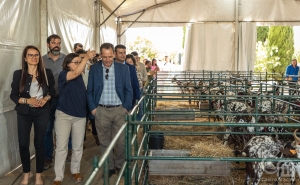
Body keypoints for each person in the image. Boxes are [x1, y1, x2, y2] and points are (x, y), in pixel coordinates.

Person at [10, 45, 55, 185]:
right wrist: (26, 100)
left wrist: (45, 99)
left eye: (36, 55)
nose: (34, 57)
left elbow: (52, 92)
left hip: (42, 112)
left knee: (39, 143)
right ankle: (26, 173)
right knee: (23, 144)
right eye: (30, 55)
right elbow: (13, 95)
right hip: (24, 112)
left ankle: (38, 176)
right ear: (25, 58)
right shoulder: (18, 74)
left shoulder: (47, 73)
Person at [87, 43, 133, 177]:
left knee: (121, 141)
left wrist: (126, 107)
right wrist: (93, 109)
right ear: (100, 55)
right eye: (104, 57)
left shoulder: (123, 69)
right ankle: (109, 167)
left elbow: (128, 90)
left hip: (119, 110)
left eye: (109, 57)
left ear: (114, 54)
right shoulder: (94, 69)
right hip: (101, 111)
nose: (107, 60)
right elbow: (89, 91)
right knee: (104, 142)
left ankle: (120, 165)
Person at [52, 50, 96, 185]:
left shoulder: (83, 76)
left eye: (80, 62)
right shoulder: (63, 75)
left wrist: (88, 114)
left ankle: (75, 170)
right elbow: (76, 72)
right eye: (75, 62)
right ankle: (58, 176)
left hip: (80, 116)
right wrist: (86, 57)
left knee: (78, 146)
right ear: (67, 64)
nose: (79, 65)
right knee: (61, 147)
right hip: (63, 116)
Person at [42, 34, 72, 169]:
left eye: (58, 43)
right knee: (47, 129)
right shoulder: (41, 60)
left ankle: (68, 152)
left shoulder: (66, 59)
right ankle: (48, 157)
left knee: (65, 128)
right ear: (48, 44)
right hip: (47, 100)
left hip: (63, 99)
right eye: (53, 43)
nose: (56, 45)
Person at [114, 45, 140, 109]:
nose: (123, 55)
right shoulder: (110, 67)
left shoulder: (131, 68)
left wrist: (136, 99)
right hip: (113, 103)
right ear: (115, 54)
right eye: (120, 53)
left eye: (124, 53)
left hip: (128, 103)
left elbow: (135, 84)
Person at [131, 51, 147, 121]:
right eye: (134, 58)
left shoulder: (141, 65)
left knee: (141, 105)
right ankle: (133, 121)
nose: (136, 60)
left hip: (140, 88)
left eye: (137, 58)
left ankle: (139, 120)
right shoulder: (129, 66)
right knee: (133, 106)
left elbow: (144, 76)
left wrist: (142, 85)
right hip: (132, 89)